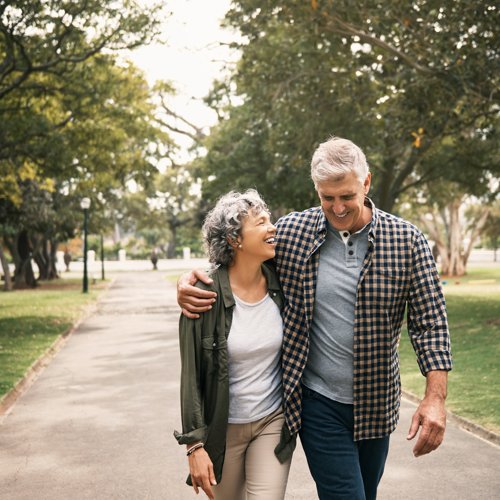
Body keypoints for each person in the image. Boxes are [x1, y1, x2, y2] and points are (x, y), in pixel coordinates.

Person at [178, 137, 453, 499]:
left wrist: (435, 397)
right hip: (317, 402)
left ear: (366, 183)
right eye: (327, 197)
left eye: (346, 196)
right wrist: (191, 280)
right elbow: (238, 260)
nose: (337, 207)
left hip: (377, 404)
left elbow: (430, 323)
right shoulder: (293, 233)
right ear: (316, 190)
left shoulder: (407, 241)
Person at [174, 190, 294, 500]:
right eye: (261, 222)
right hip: (221, 430)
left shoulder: (282, 280)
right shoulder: (204, 294)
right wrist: (194, 446)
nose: (272, 228)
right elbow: (191, 378)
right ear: (234, 239)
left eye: (270, 220)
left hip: (272, 421)